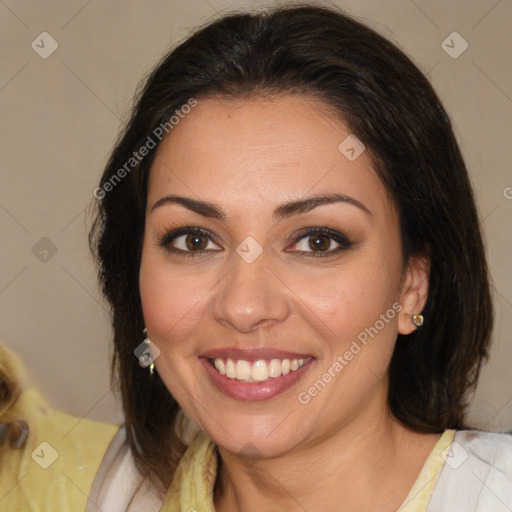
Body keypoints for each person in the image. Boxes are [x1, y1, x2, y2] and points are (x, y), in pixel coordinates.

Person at [1, 4, 511, 511]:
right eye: (195, 241)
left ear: (412, 284)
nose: (245, 307)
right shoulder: (54, 486)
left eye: (317, 241)